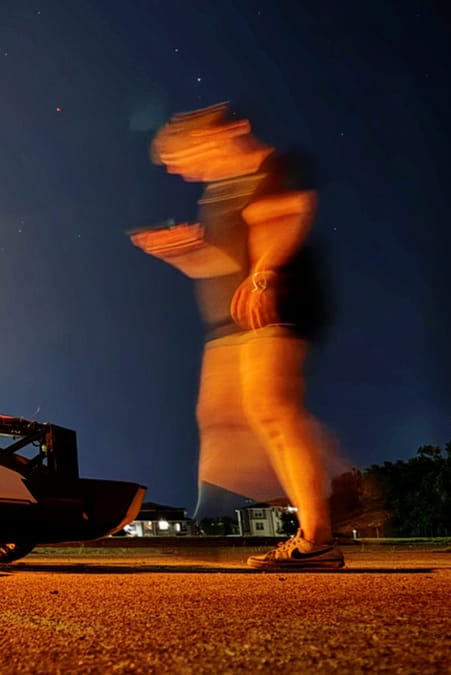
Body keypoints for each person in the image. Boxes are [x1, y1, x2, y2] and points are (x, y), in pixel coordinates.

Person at [131, 102, 343, 570]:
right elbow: (229, 264)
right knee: (223, 416)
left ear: (227, 134)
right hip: (237, 320)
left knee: (272, 412)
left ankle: (320, 530)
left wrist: (265, 273)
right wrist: (187, 254)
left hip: (275, 305)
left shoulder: (271, 167)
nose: (182, 169)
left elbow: (289, 216)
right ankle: (321, 492)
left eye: (185, 154)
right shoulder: (221, 195)